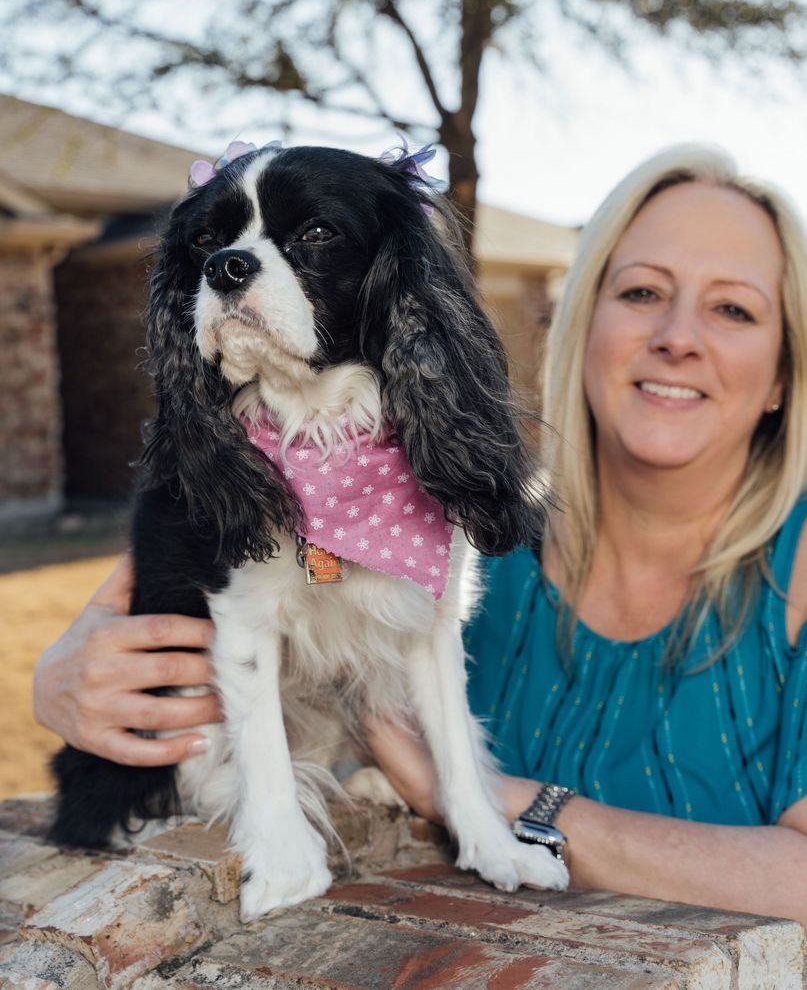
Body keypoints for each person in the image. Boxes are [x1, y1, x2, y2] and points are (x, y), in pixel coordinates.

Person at [34, 145, 807, 925]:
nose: (678, 336)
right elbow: (217, 627)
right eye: (642, 291)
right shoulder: (467, 533)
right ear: (580, 320)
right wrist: (74, 683)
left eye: (732, 308)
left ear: (784, 370)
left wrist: (494, 804)